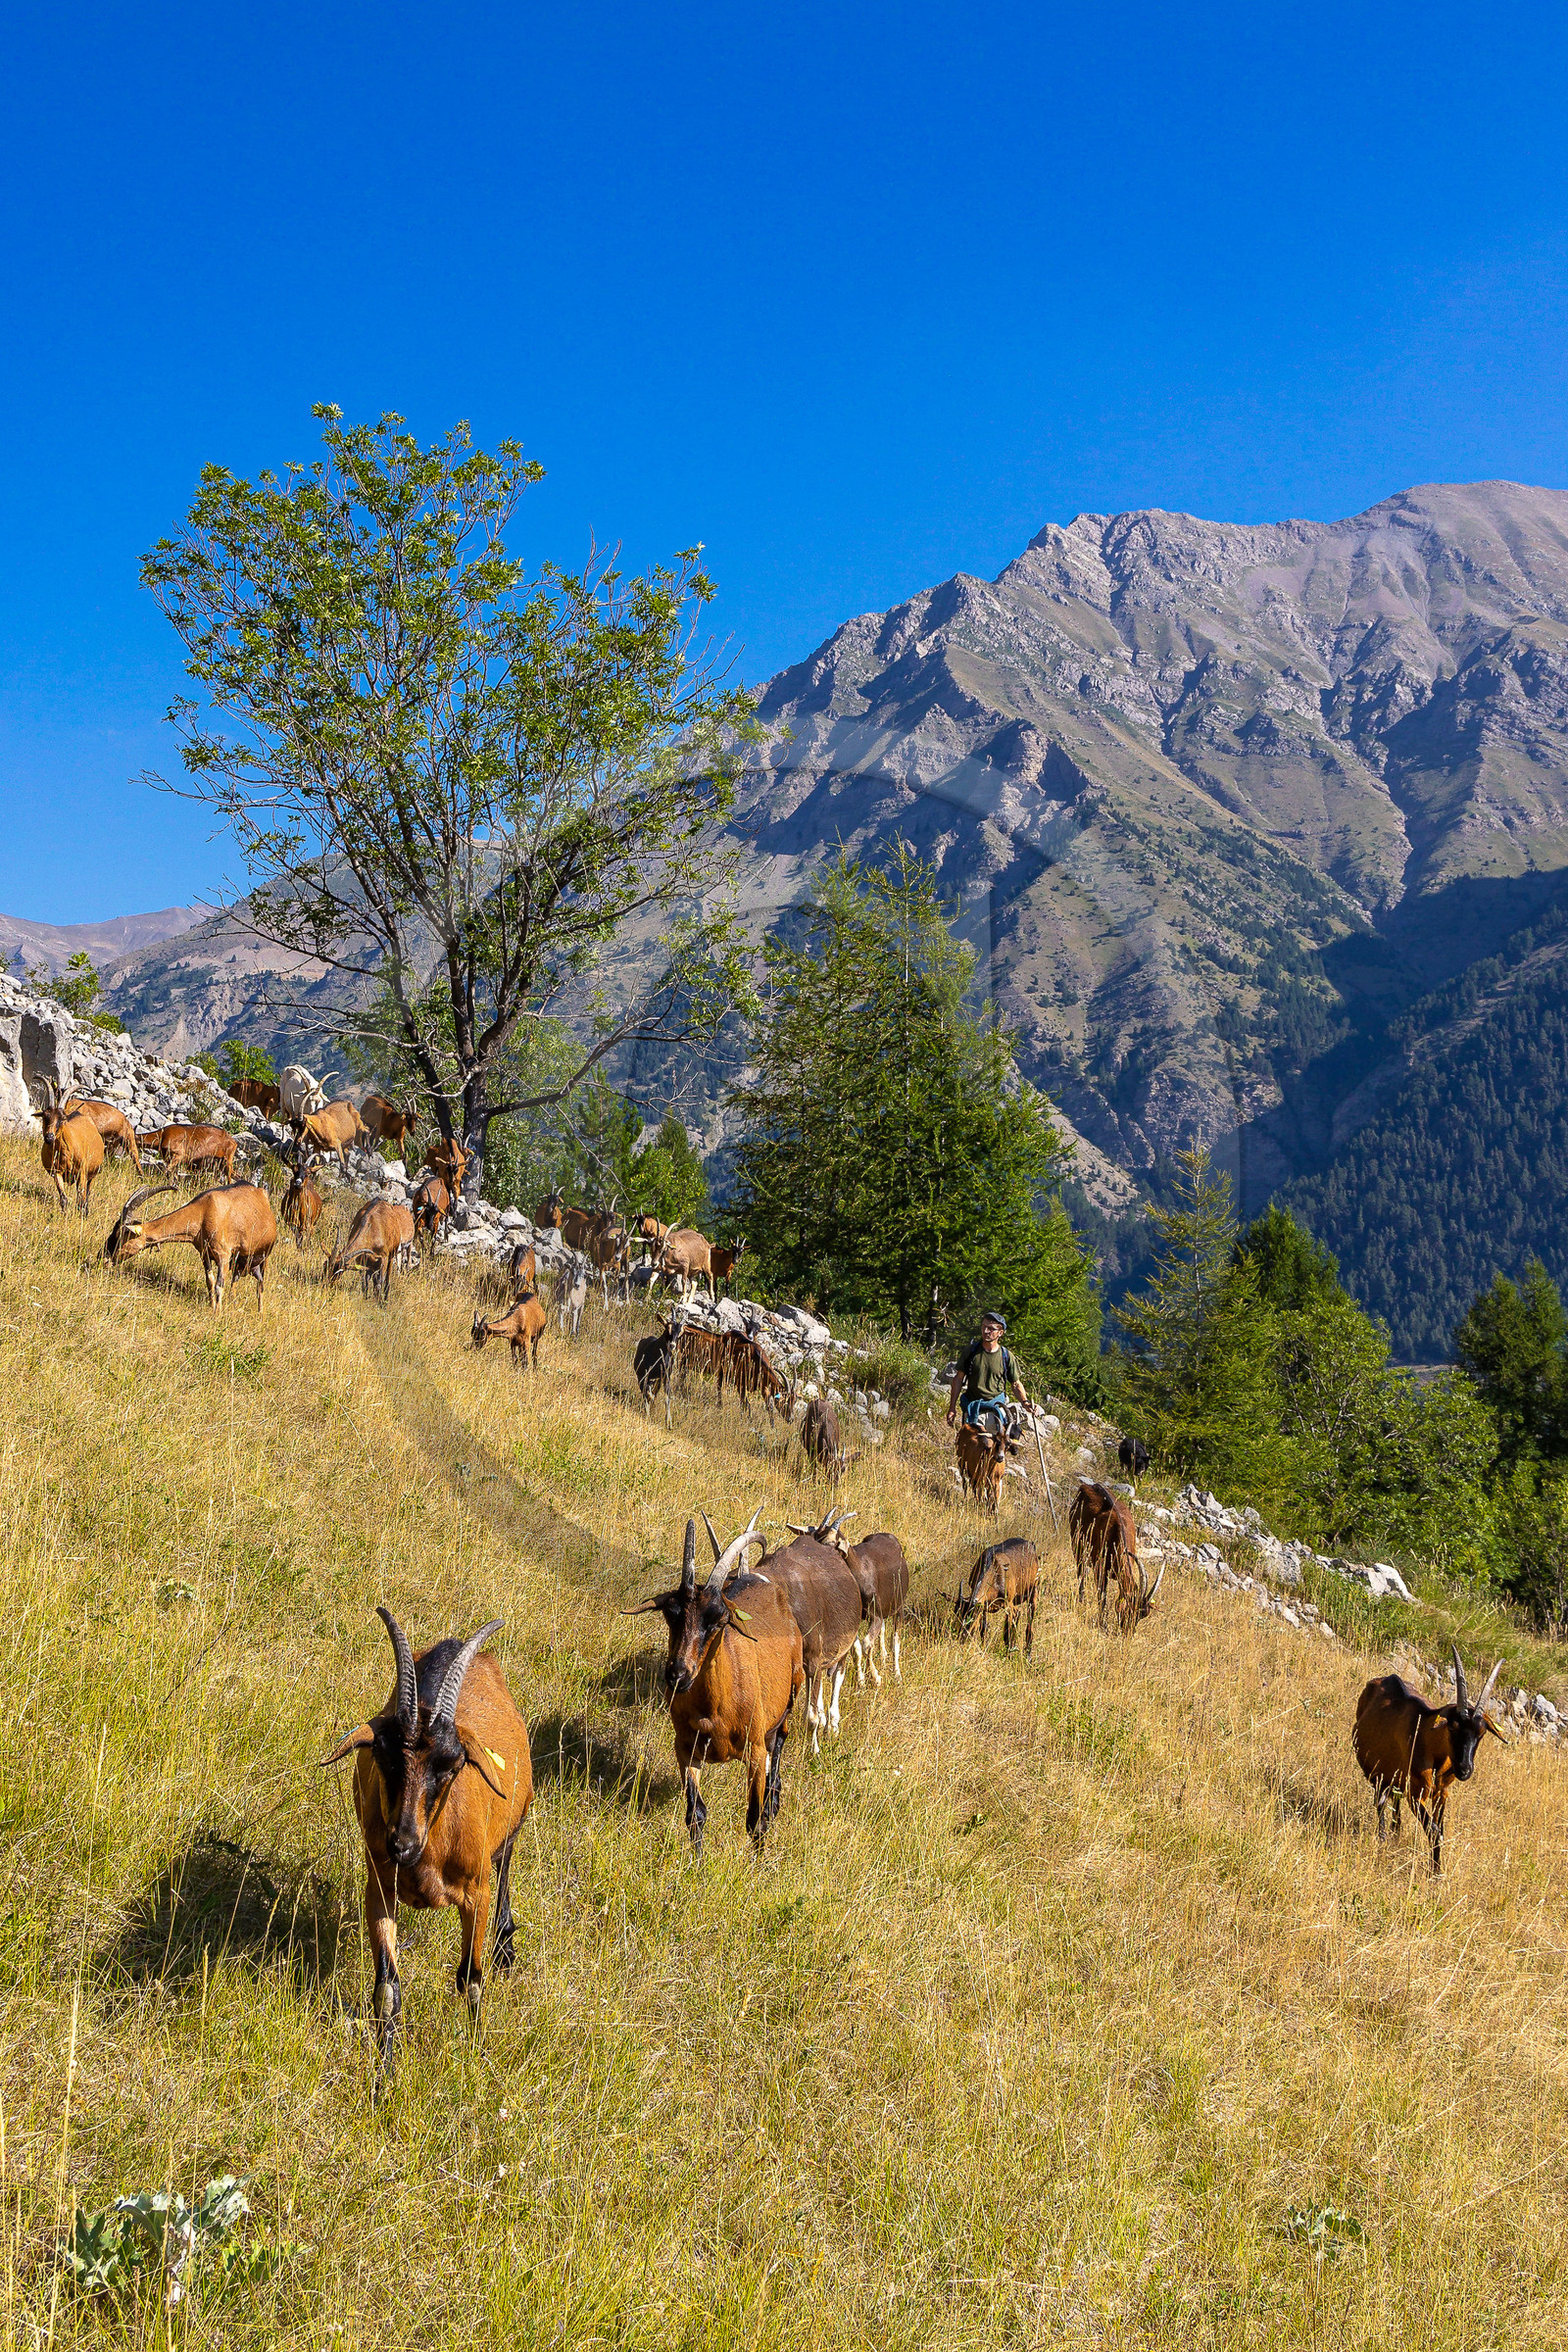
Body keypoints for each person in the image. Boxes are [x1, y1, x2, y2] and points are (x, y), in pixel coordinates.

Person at [947, 1310, 1030, 1436]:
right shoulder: (971, 1352)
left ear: (1000, 1333)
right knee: (971, 1451)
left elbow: (1016, 1384)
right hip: (973, 1410)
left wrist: (1025, 1402)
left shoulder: (1006, 1356)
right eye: (984, 1327)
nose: (986, 1331)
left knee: (996, 1452)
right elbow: (958, 1379)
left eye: (991, 1329)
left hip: (996, 1412)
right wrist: (952, 1407)